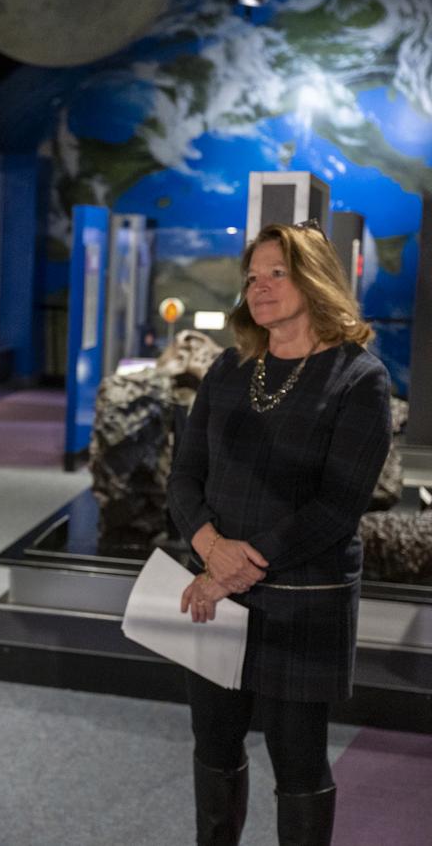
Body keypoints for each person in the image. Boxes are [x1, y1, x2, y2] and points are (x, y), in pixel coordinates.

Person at [167, 221, 391, 846]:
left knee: (297, 761)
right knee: (214, 744)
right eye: (252, 277)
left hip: (304, 600)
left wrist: (236, 567)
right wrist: (212, 551)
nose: (258, 287)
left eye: (276, 273)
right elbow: (184, 477)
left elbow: (337, 507)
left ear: (314, 280)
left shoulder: (359, 377)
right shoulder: (228, 368)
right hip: (216, 592)